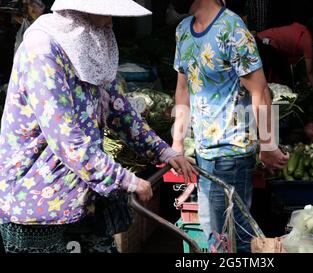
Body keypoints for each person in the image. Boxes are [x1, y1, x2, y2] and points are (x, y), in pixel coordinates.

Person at [0, 0, 196, 253]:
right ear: (82, 11)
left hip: (82, 195)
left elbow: (119, 110)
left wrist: (163, 151)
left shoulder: (91, 44)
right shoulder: (42, 49)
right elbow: (65, 138)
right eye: (107, 13)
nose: (112, 21)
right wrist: (124, 179)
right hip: (37, 202)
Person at [172, 0, 289, 253]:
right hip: (203, 154)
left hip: (230, 154)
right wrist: (177, 143)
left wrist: (268, 146)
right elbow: (183, 88)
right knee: (214, 234)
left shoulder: (232, 29)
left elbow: (260, 89)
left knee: (233, 237)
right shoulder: (183, 30)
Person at [256, 22, 313, 88]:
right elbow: (310, 71)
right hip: (267, 44)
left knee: (280, 75)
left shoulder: (302, 29)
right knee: (282, 77)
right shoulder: (307, 40)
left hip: (260, 38)